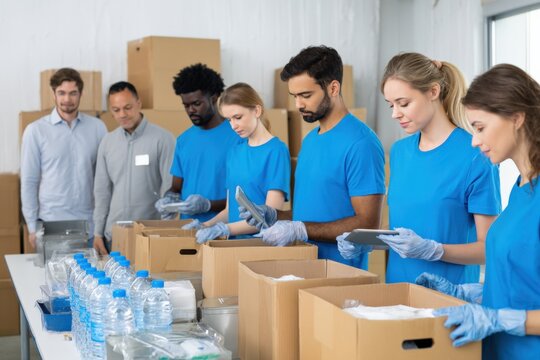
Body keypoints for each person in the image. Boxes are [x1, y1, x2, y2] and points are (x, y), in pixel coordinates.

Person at [337, 53, 501, 283]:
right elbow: (406, 229)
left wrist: (435, 250)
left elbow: (488, 249)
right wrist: (363, 241)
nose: (395, 114)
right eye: (391, 105)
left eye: (403, 103)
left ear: (433, 92)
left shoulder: (476, 156)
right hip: (398, 294)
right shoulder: (399, 152)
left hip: (449, 301)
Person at [416, 64, 540, 359]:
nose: (474, 140)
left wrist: (501, 319)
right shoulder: (521, 189)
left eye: (480, 128)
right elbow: (522, 282)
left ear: (517, 118)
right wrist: (467, 292)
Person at [242, 46, 385, 269]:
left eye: (306, 95)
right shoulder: (310, 140)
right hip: (304, 266)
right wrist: (274, 216)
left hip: (341, 275)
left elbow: (368, 224)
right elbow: (310, 213)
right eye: (295, 96)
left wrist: (301, 229)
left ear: (333, 88)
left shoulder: (361, 143)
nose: (298, 104)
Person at [189, 83, 290, 243]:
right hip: (232, 244)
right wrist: (205, 225)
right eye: (229, 119)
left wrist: (226, 229)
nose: (233, 126)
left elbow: (271, 216)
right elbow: (230, 211)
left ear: (257, 110)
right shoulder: (235, 153)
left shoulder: (276, 151)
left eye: (238, 117)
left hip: (259, 244)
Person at [21, 68, 107, 248]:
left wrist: (101, 225)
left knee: (90, 275)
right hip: (50, 225)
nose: (67, 99)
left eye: (72, 93)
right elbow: (29, 181)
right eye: (61, 93)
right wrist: (31, 226)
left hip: (88, 225)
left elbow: (104, 179)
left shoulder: (97, 128)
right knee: (52, 276)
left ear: (81, 94)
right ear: (53, 94)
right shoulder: (36, 131)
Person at [92, 82, 175, 254]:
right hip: (113, 236)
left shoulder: (163, 139)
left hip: (149, 236)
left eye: (127, 107)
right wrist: (98, 233)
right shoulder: (107, 142)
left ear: (139, 103)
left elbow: (169, 190)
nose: (122, 114)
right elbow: (102, 192)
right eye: (116, 110)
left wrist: (166, 233)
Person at [154, 64, 240, 223]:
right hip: (189, 231)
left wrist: (208, 205)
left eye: (196, 104)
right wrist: (170, 200)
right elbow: (176, 188)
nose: (190, 110)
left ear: (214, 98)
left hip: (227, 232)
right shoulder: (183, 140)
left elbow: (247, 198)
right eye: (186, 105)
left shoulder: (238, 137)